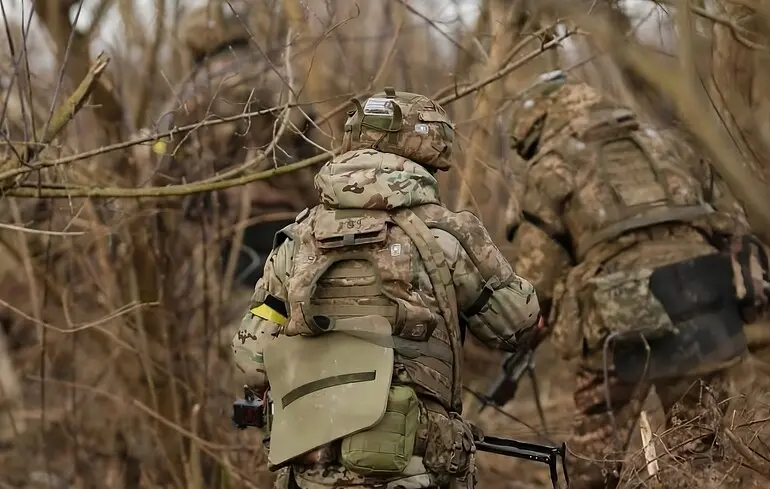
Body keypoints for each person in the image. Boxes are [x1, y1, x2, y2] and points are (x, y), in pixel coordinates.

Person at [232, 88, 545, 489]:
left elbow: (252, 359)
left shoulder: (297, 239)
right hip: (415, 466)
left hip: (314, 467)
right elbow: (518, 323)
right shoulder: (448, 234)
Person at [504, 70, 769, 489]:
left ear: (536, 125)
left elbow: (537, 279)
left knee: (596, 456)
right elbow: (733, 226)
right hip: (702, 297)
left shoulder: (550, 168)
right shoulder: (668, 144)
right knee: (701, 447)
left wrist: (528, 325)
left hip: (618, 313)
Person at [146, 0, 320, 286]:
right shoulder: (281, 74)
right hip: (293, 215)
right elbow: (314, 143)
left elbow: (164, 161)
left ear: (194, 43)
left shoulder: (191, 90)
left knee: (249, 306)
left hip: (229, 224)